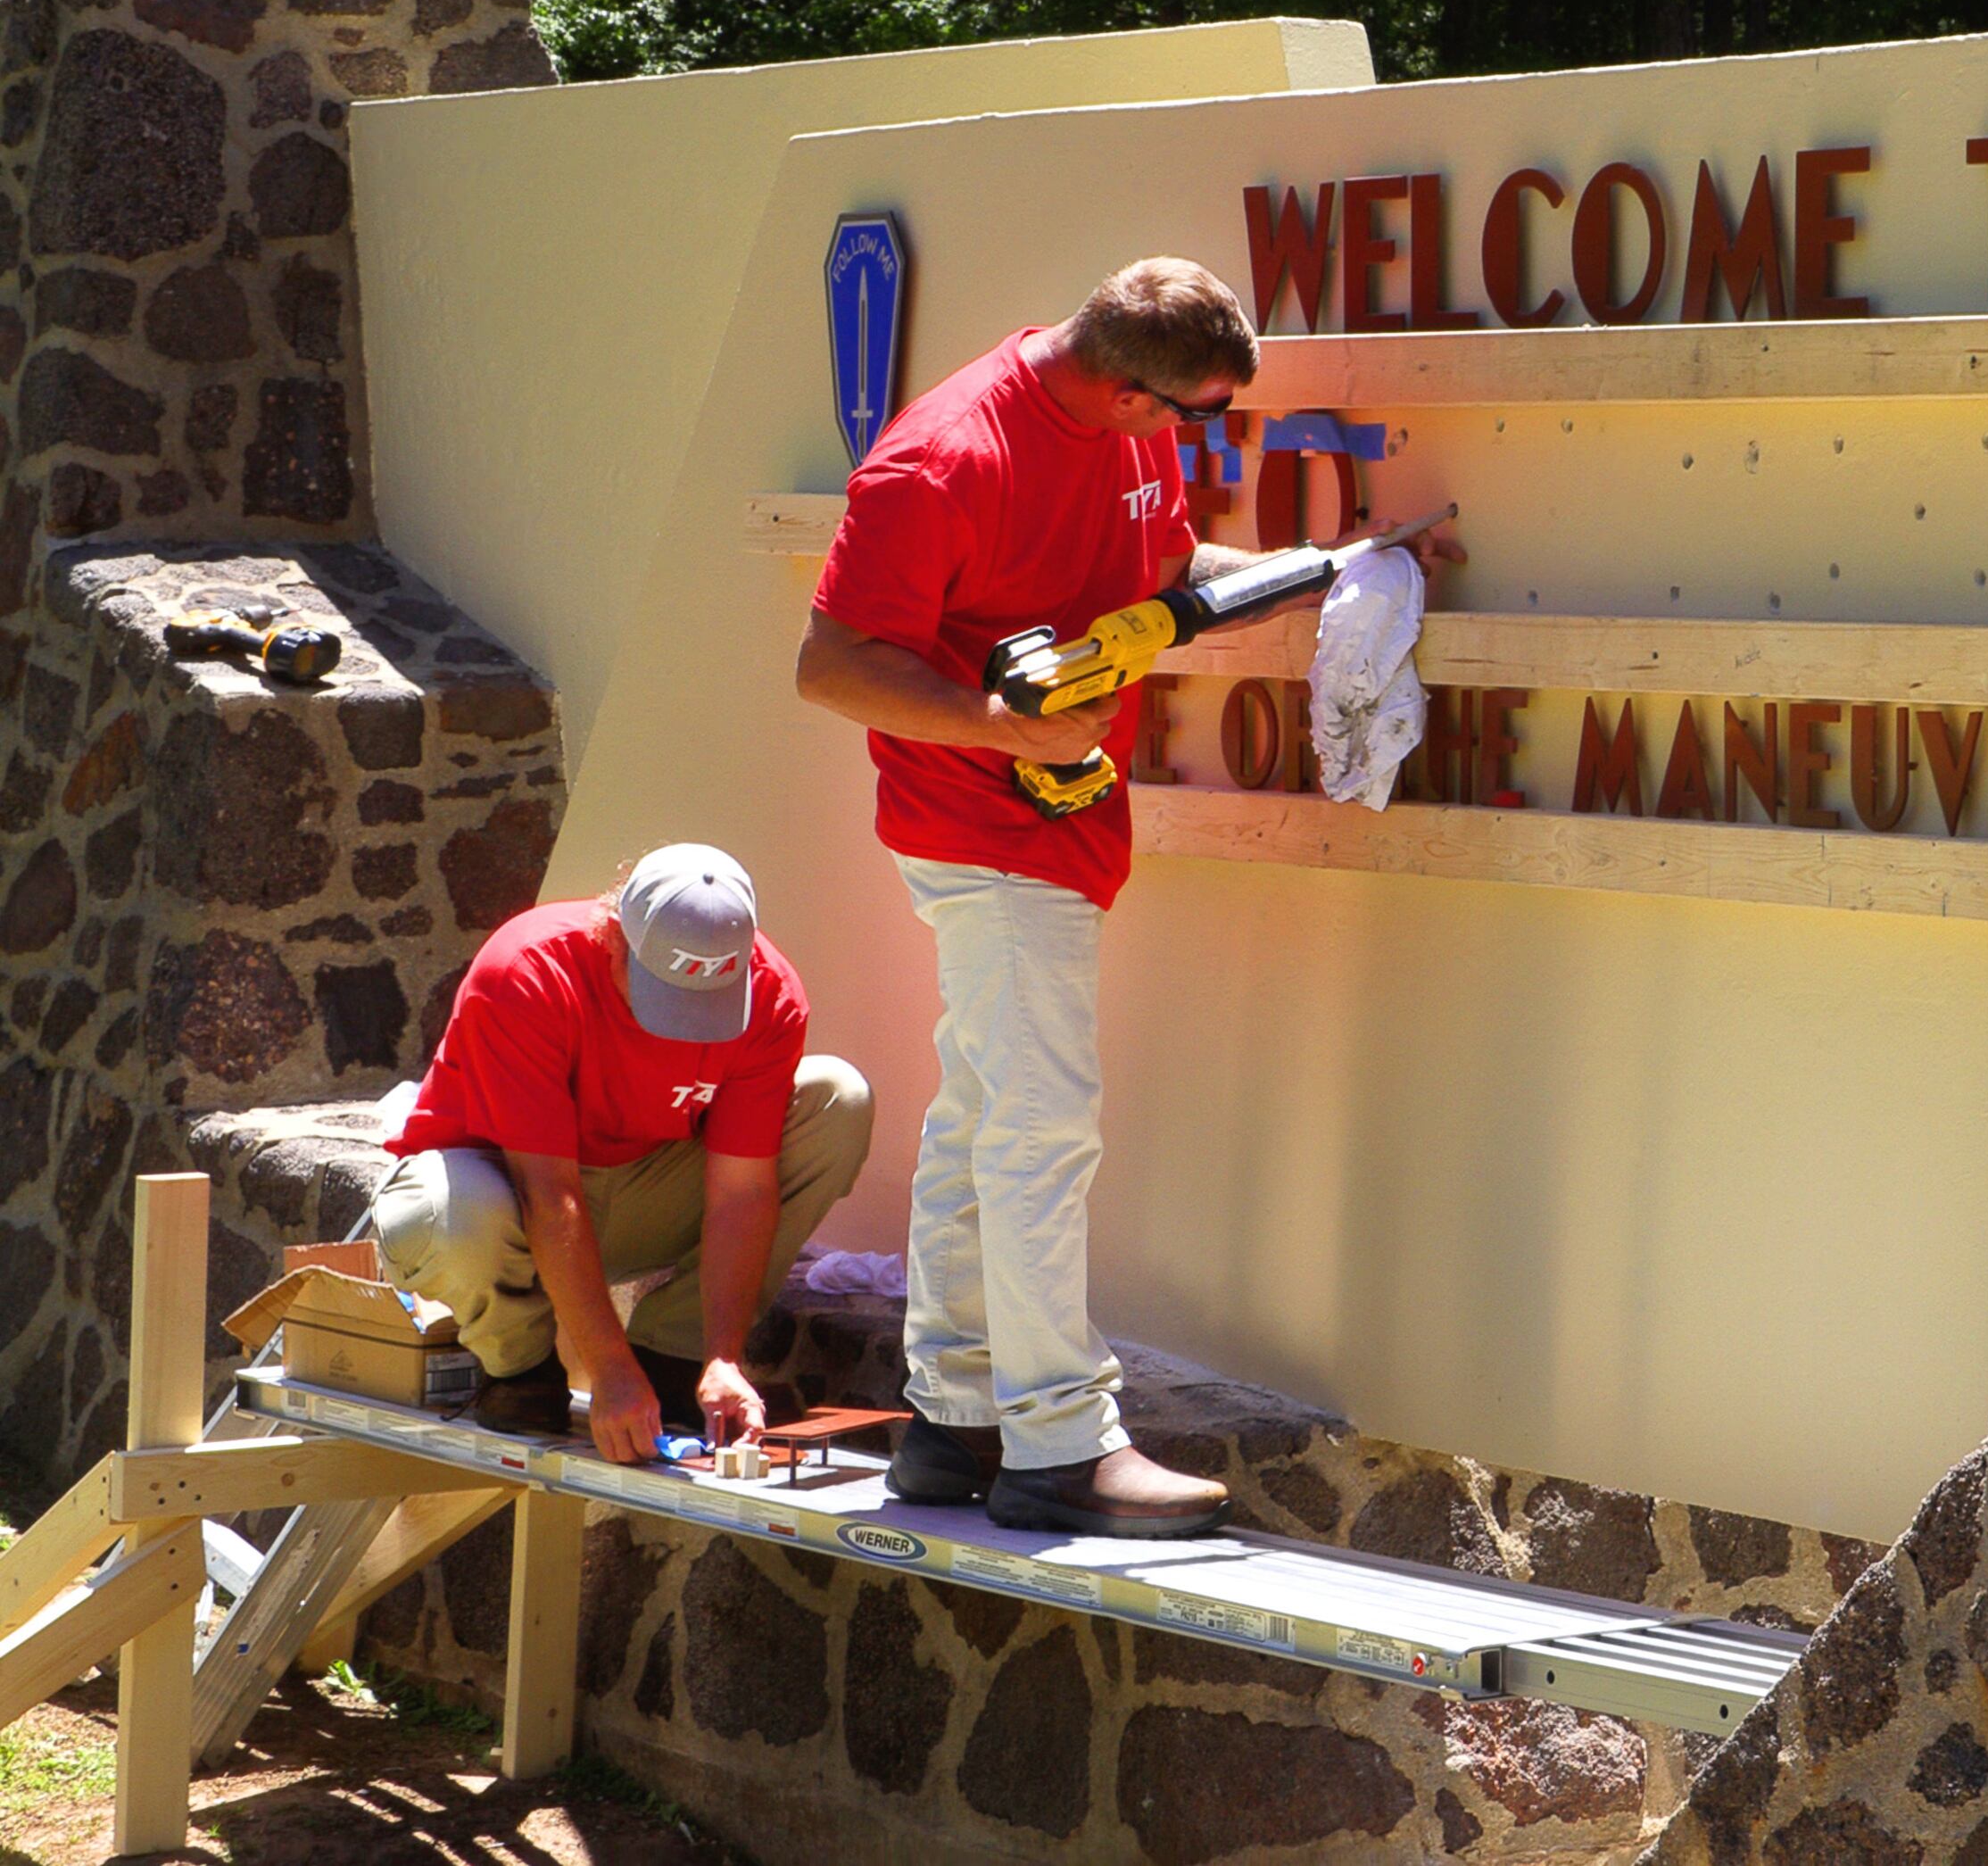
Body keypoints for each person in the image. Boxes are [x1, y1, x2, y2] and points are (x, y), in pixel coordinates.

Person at [794, 257, 1454, 1536]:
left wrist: (1342, 568)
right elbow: (829, 664)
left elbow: (1163, 570)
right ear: (1124, 383)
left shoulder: (1120, 435)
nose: (1200, 438)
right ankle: (1060, 1443)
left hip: (1057, 817)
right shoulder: (940, 462)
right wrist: (999, 729)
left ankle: (953, 1416)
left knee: (986, 1113)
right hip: (980, 821)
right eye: (1197, 414)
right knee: (1044, 1125)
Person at [374, 844, 871, 1465]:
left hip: (633, 1199)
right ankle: (520, 1368)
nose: (683, 1028)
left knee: (837, 1100)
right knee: (447, 1210)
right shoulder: (525, 971)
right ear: (612, 934)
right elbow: (548, 1195)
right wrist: (608, 1367)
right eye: (663, 995)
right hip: (506, 1206)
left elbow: (741, 1192)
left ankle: (675, 1358)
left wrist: (723, 1355)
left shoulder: (771, 995)